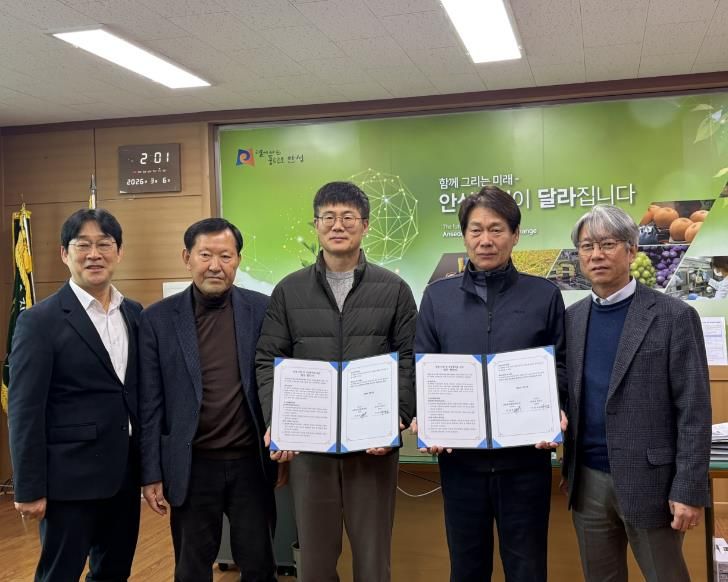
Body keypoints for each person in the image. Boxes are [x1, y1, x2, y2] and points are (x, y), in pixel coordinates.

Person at [255, 181, 417, 582]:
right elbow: (269, 360)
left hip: (373, 448)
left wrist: (396, 416)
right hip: (310, 449)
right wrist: (279, 420)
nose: (337, 225)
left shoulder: (394, 289)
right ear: (316, 225)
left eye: (348, 217)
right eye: (328, 217)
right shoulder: (289, 290)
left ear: (366, 225)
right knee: (315, 561)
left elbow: (410, 358)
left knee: (373, 560)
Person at [413, 186, 567, 582]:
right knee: (467, 569)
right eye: (476, 229)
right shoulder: (438, 298)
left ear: (515, 235)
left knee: (527, 569)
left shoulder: (544, 295)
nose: (486, 240)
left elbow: (562, 365)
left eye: (497, 229)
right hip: (460, 464)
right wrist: (426, 416)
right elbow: (424, 366)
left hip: (526, 461)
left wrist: (558, 409)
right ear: (464, 235)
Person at [562, 205, 711, 582]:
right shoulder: (572, 320)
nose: (596, 254)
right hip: (588, 481)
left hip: (653, 483)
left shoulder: (674, 316)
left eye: (608, 244)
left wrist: (689, 489)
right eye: (587, 246)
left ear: (631, 250)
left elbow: (694, 410)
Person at [138, 218, 276, 582]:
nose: (216, 265)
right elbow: (150, 405)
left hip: (250, 463)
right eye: (205, 255)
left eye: (225, 256)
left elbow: (278, 381)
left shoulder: (263, 310)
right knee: (192, 570)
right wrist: (151, 473)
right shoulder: (157, 319)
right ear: (187, 258)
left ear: (238, 260)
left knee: (260, 566)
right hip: (192, 465)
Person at [8, 208, 142, 581]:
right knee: (59, 575)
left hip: (123, 476)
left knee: (114, 573)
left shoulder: (134, 313)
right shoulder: (39, 321)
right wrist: (29, 487)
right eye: (83, 245)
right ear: (64, 254)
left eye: (104, 244)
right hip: (68, 482)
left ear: (119, 252)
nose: (94, 254)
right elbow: (24, 409)